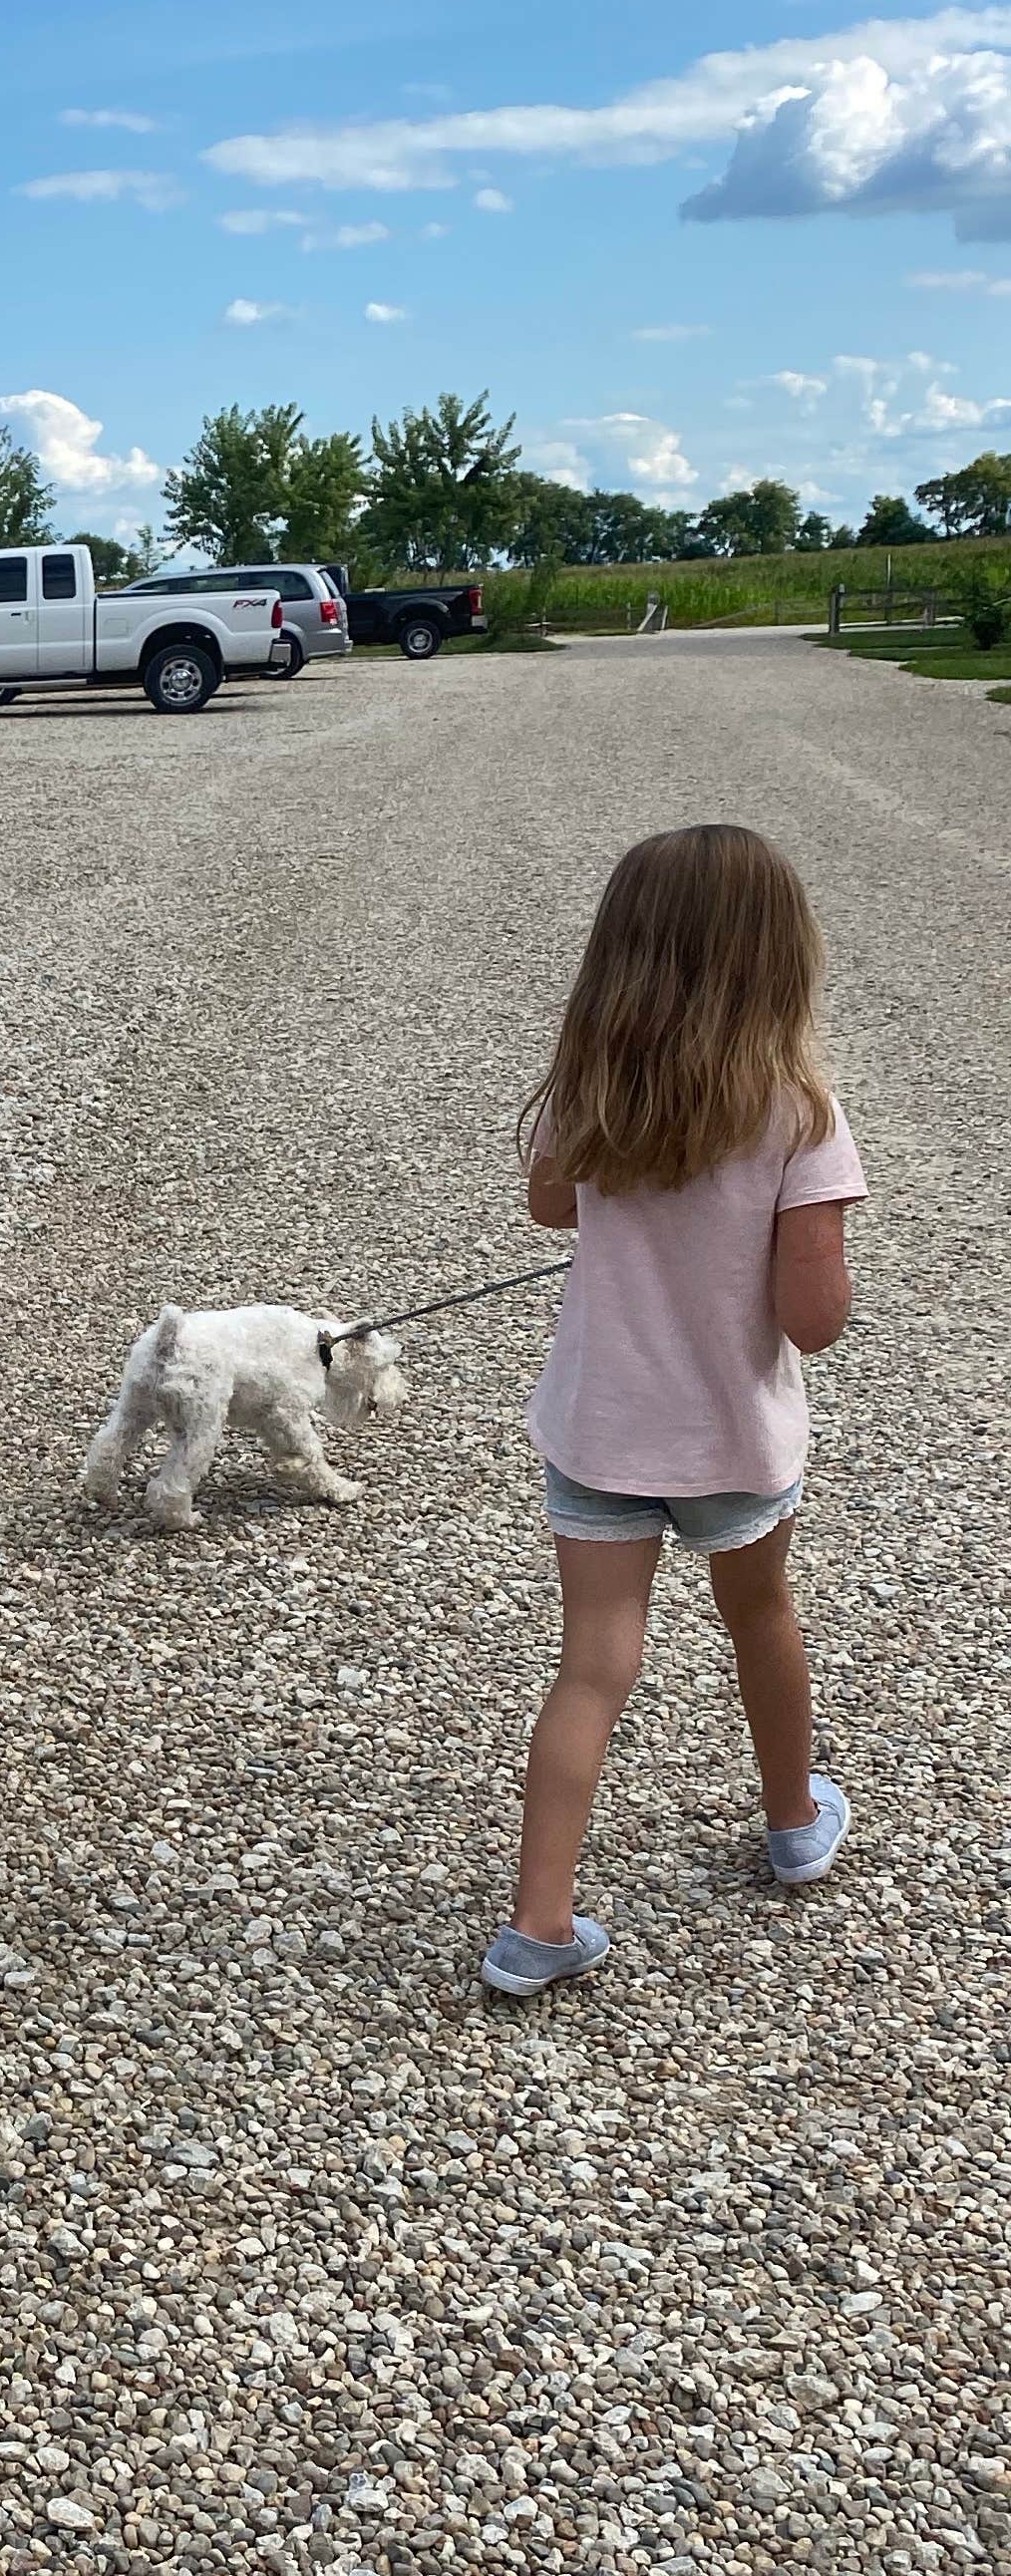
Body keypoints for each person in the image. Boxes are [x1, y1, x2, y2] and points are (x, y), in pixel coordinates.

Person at [483, 822, 862, 1998]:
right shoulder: (800, 1116)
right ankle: (794, 1822)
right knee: (761, 1617)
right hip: (732, 1440)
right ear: (777, 960)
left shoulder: (591, 1091)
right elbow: (814, 1321)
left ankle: (536, 1927)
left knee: (592, 1666)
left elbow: (554, 1212)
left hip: (601, 1424)